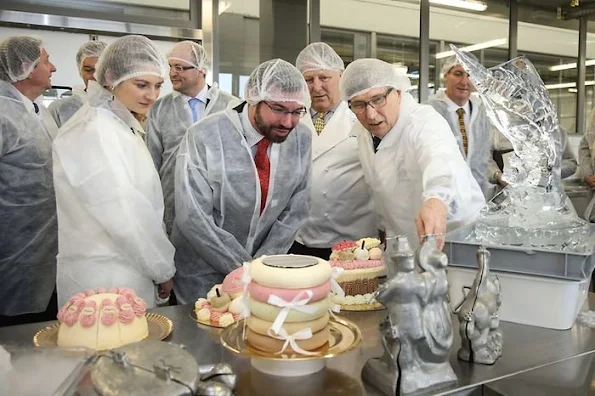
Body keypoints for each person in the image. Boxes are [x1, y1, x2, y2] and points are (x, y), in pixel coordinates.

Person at [172, 59, 312, 302]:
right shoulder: (204, 136)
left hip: (264, 274)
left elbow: (295, 210)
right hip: (202, 275)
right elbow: (193, 217)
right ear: (254, 98)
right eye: (278, 109)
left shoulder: (300, 138)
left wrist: (261, 267)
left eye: (297, 111)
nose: (288, 122)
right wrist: (242, 269)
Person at [52, 35, 175, 308]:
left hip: (126, 267)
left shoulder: (118, 124)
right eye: (141, 85)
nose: (152, 95)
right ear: (110, 78)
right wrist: (162, 269)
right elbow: (124, 213)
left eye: (157, 86)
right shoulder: (95, 130)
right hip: (103, 276)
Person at [340, 58, 484, 249]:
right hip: (403, 240)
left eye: (378, 99)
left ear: (398, 93)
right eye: (359, 104)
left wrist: (436, 200)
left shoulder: (423, 121)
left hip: (454, 237)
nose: (371, 115)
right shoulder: (363, 134)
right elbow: (382, 188)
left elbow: (440, 159)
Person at [289, 42, 377, 259]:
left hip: (352, 242)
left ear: (341, 76)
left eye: (323, 78)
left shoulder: (363, 119)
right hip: (299, 238)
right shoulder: (291, 120)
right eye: (308, 79)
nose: (316, 87)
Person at [147, 41, 238, 235]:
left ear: (201, 70)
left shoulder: (230, 106)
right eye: (170, 67)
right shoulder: (159, 109)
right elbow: (152, 162)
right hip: (173, 203)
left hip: (220, 204)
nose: (172, 73)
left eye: (179, 67)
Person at [0, 35, 59, 326]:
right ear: (25, 67)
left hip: (45, 252)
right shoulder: (2, 114)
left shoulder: (38, 110)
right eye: (46, 61)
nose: (54, 68)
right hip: (13, 252)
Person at [426, 56, 492, 196]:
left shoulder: (483, 113)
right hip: (441, 196)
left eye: (470, 75)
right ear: (445, 75)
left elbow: (484, 157)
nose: (464, 81)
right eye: (458, 74)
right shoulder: (429, 111)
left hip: (477, 195)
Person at [48, 40, 107, 127]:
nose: (95, 76)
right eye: (88, 70)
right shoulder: (61, 108)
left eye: (100, 70)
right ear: (80, 71)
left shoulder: (124, 106)